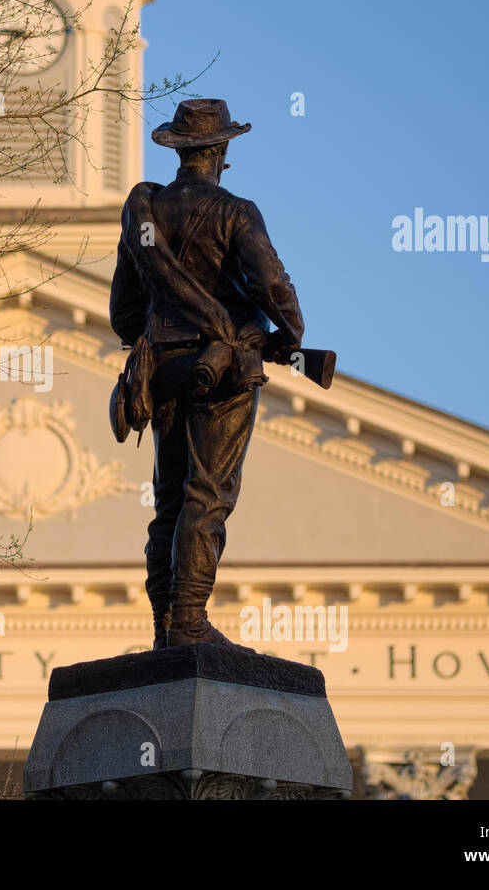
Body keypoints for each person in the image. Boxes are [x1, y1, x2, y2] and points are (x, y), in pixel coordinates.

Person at [109, 99, 306, 650]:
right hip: (222, 371)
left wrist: (162, 333)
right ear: (221, 152)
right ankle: (191, 622)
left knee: (169, 501)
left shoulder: (144, 215)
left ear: (178, 150)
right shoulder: (236, 211)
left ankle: (164, 626)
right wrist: (288, 338)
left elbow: (124, 312)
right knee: (208, 494)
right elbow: (273, 286)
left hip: (162, 369)